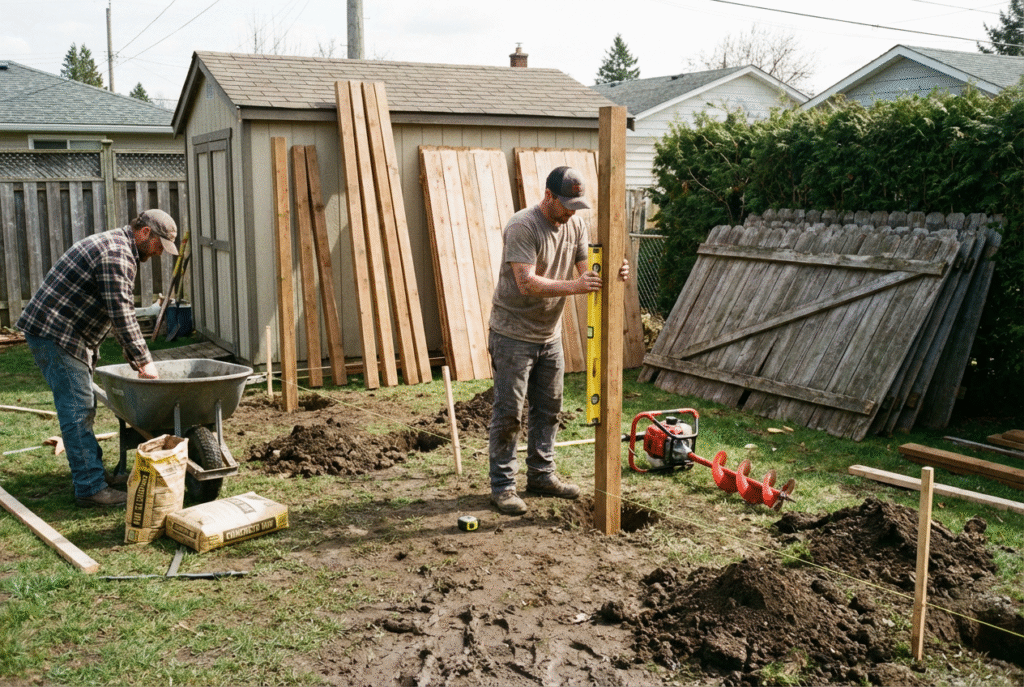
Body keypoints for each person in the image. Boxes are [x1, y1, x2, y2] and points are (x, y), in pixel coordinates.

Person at [487, 167, 629, 515]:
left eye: (575, 205)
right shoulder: (523, 225)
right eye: (565, 205)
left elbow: (587, 274)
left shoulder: (575, 224)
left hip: (548, 336)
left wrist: (614, 274)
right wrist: (574, 288)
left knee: (549, 410)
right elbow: (526, 283)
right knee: (509, 414)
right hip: (512, 335)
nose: (570, 212)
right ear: (548, 196)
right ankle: (503, 486)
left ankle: (541, 475)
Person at [17, 209, 178, 508]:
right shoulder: (115, 254)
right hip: (56, 333)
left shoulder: (119, 247)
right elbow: (121, 313)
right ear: (144, 233)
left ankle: (94, 475)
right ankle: (91, 488)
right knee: (77, 410)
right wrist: (144, 361)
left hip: (67, 332)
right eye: (158, 245)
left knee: (83, 406)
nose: (158, 253)